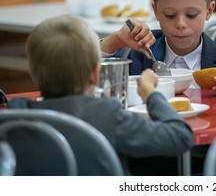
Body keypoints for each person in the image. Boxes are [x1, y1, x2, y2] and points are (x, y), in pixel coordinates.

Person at [7, 15, 194, 176]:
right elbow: (180, 137)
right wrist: (152, 94)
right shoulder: (108, 115)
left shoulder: (16, 116)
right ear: (96, 74)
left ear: (32, 72)